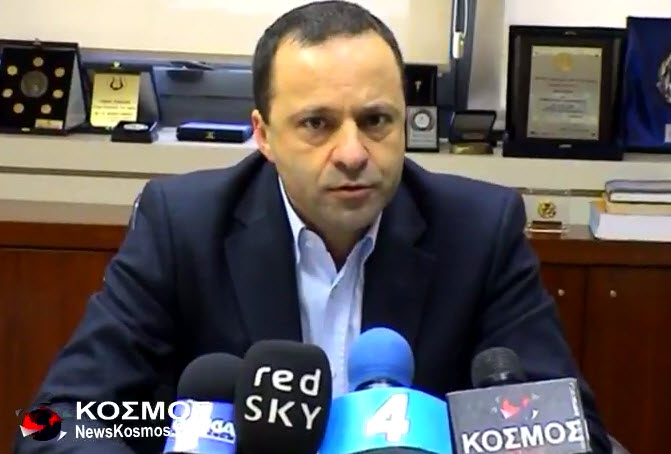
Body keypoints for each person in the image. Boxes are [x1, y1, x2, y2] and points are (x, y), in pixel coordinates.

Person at [15, 1, 612, 453]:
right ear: (263, 134)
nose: (352, 153)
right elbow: (53, 422)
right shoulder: (182, 225)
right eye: (317, 124)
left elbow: (569, 427)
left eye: (376, 120)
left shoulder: (478, 231)